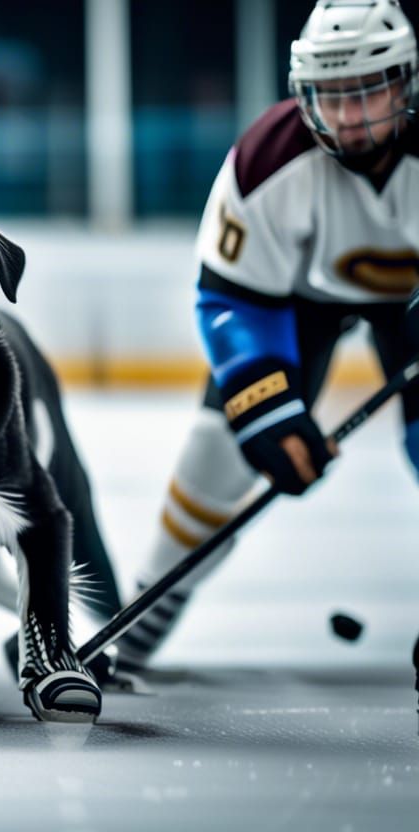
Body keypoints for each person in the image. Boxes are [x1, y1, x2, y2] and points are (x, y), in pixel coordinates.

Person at [115, 0, 419, 672]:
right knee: (218, 452)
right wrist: (266, 412)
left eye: (368, 92)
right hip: (293, 302)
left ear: (406, 82)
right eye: (331, 96)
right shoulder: (265, 163)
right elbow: (232, 297)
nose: (348, 117)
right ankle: (136, 627)